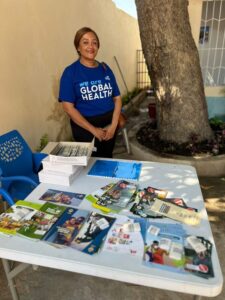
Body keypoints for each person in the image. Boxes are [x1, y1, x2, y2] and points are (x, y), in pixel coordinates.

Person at [58, 27, 122, 158]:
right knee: (89, 164)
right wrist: (93, 130)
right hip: (85, 128)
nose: (91, 46)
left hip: (109, 125)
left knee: (107, 158)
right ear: (78, 47)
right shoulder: (70, 72)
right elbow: (68, 108)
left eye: (94, 42)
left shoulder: (105, 68)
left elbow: (117, 98)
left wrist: (114, 125)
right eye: (85, 42)